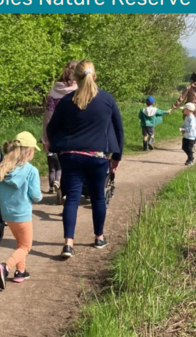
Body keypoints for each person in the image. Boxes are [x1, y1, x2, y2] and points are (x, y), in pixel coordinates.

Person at [47, 60, 124, 259]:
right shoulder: (107, 99)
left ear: (75, 78)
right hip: (98, 157)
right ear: (94, 76)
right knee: (98, 197)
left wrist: (57, 146)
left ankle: (68, 244)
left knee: (72, 198)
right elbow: (118, 128)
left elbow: (52, 128)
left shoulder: (66, 101)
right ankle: (99, 237)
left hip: (71, 156)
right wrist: (117, 155)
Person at [0, 132, 42, 290]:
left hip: (8, 215)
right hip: (23, 215)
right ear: (29, 151)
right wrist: (38, 196)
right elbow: (36, 196)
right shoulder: (31, 171)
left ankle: (21, 271)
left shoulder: (5, 167)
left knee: (20, 243)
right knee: (26, 246)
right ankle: (6, 266)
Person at [41, 60, 78, 195]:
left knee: (60, 162)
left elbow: (48, 115)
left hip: (57, 133)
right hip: (76, 133)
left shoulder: (54, 90)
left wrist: (46, 137)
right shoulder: (79, 89)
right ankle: (68, 190)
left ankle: (61, 187)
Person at [169, 72, 196, 143]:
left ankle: (188, 144)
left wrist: (173, 107)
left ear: (192, 79)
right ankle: (193, 144)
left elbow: (181, 98)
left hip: (189, 112)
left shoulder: (189, 87)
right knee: (195, 129)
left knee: (188, 127)